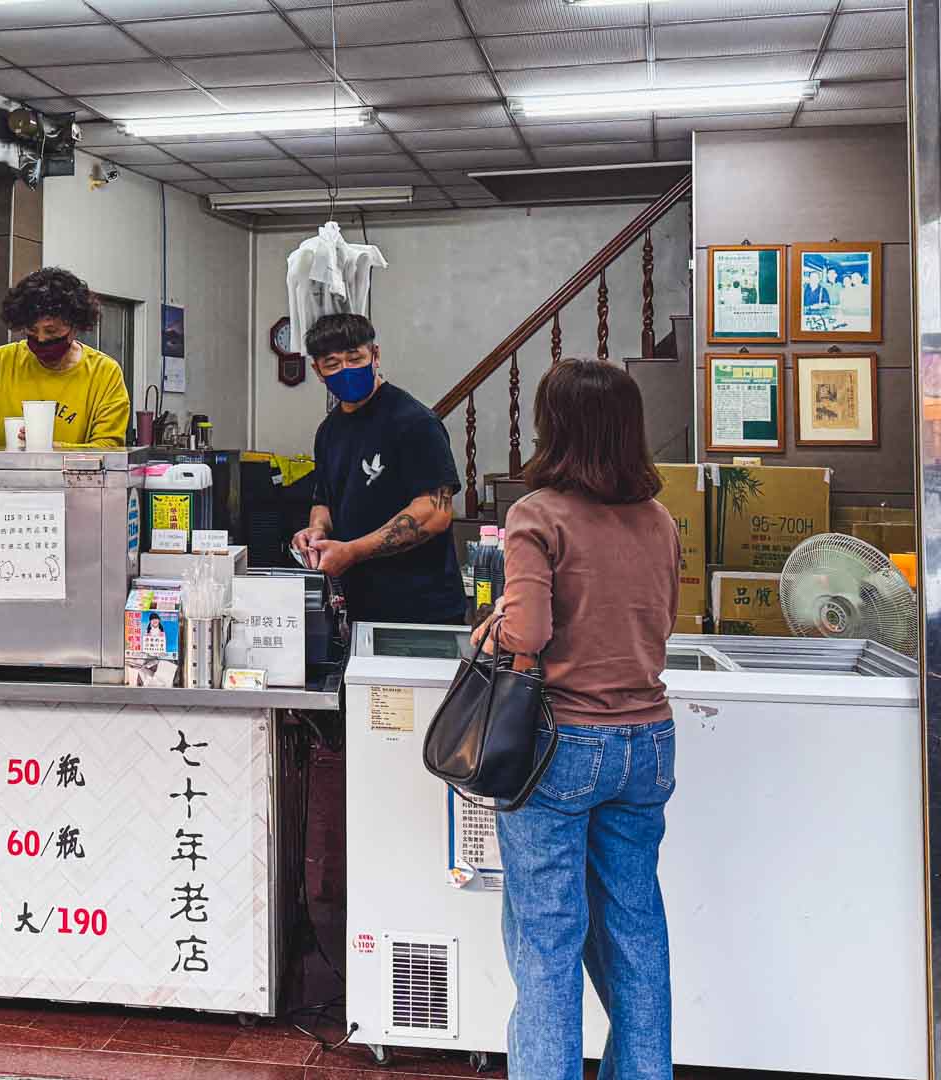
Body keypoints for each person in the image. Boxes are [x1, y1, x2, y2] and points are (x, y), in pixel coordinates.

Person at [471, 359, 680, 1080]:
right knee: (636, 930)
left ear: (553, 426)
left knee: (549, 940)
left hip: (560, 745)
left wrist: (494, 626)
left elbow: (527, 633)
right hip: (648, 742)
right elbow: (662, 624)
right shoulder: (659, 519)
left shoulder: (538, 514)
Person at [290, 314, 465, 625]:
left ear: (375, 355)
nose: (346, 370)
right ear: (317, 371)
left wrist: (352, 551)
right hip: (358, 606)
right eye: (332, 364)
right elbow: (325, 500)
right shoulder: (328, 431)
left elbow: (435, 513)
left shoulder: (413, 422)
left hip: (420, 610)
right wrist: (316, 532)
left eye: (355, 358)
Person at [0, 267, 129, 450]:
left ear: (75, 327)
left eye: (51, 331)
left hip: (70, 486)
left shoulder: (104, 374)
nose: (41, 339)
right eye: (32, 331)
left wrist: (51, 449)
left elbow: (108, 448)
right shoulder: (1, 362)